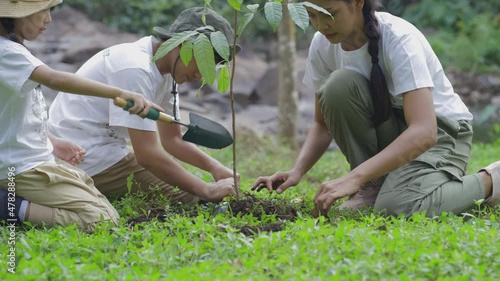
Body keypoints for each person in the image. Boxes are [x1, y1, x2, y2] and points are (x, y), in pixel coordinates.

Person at [251, 0, 500, 217]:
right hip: (395, 130)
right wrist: (296, 172)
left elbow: (425, 132)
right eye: (312, 15)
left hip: (442, 134)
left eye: (329, 13)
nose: (320, 25)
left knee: (399, 207)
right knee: (338, 86)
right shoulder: (322, 44)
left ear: (358, 2)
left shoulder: (399, 39)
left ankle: (491, 180)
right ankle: (373, 187)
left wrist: (353, 177)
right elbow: (321, 124)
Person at [48, 7, 239, 207]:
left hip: (106, 148)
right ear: (183, 46)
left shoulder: (165, 70)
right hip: (81, 155)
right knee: (192, 200)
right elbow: (147, 155)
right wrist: (206, 190)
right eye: (203, 62)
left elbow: (173, 139)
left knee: (189, 187)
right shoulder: (136, 69)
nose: (200, 75)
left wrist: (216, 168)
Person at [0, 0, 163, 232]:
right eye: (41, 11)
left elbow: (10, 115)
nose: (49, 19)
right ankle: (8, 207)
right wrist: (120, 92)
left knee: (95, 199)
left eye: (50, 10)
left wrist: (52, 142)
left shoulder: (12, 49)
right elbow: (55, 79)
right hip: (20, 167)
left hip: (34, 159)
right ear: (12, 17)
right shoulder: (7, 52)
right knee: (101, 220)